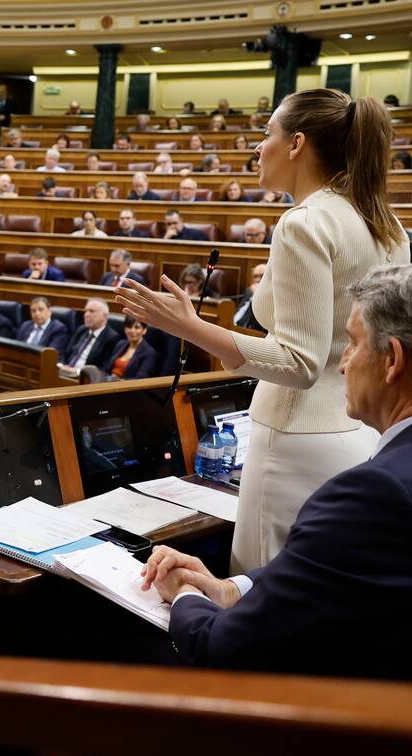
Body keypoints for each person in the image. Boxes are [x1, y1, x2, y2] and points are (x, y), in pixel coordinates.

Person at [117, 90, 411, 572]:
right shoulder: (386, 222)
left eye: (267, 134)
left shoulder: (304, 222)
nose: (258, 147)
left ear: (296, 144)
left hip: (294, 441)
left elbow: (299, 362)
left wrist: (188, 326)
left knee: (255, 595)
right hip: (362, 434)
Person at [142, 265, 412, 678]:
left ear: (391, 360)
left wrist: (183, 595)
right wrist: (230, 588)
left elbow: (221, 648)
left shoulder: (375, 492)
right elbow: (335, 570)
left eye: (353, 344)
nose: (341, 365)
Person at [62, 299, 118, 373]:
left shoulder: (111, 338)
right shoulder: (81, 330)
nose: (86, 315)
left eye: (91, 311)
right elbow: (66, 353)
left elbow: (104, 369)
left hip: (85, 379)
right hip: (66, 372)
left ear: (105, 316)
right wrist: (61, 365)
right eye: (86, 311)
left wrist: (78, 371)